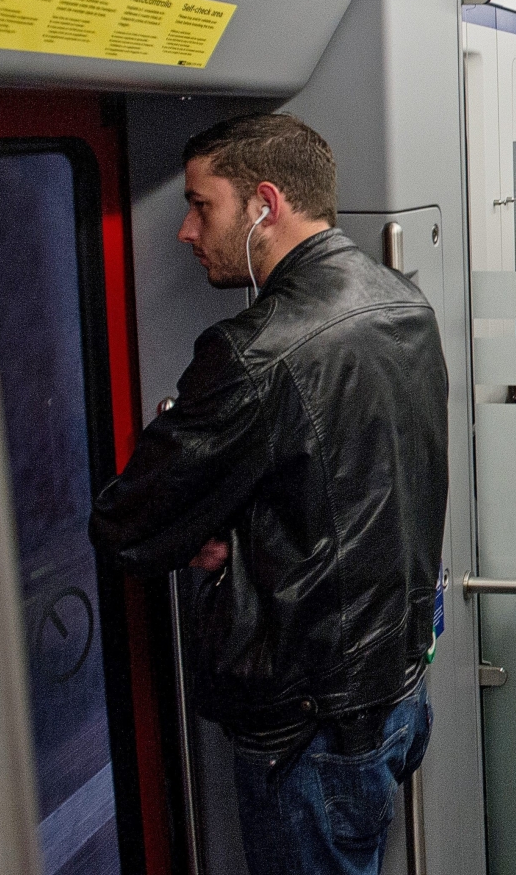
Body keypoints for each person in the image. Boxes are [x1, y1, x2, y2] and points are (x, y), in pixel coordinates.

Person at [89, 113, 447, 875]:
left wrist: (211, 515)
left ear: (265, 204)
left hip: (309, 729)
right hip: (396, 686)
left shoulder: (253, 352)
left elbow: (127, 528)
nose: (187, 230)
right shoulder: (402, 301)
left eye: (201, 205)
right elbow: (349, 483)